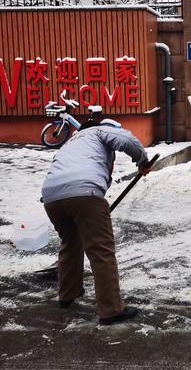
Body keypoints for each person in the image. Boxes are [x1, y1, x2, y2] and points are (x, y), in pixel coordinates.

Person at [42, 119, 152, 324]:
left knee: (70, 243)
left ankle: (67, 294)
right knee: (101, 250)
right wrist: (143, 161)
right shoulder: (99, 132)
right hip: (84, 193)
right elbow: (125, 139)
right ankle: (111, 310)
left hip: (51, 198)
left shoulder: (70, 143)